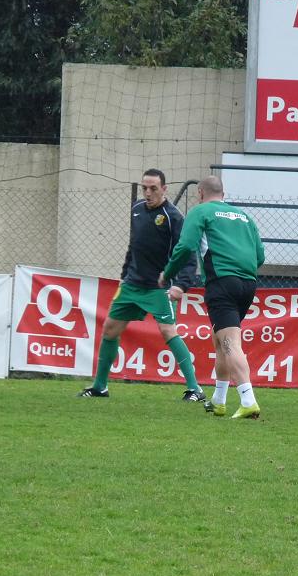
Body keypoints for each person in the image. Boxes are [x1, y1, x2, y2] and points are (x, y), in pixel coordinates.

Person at [79, 169, 205, 402]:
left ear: (164, 189)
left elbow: (188, 254)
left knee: (168, 331)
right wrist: (125, 274)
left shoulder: (173, 217)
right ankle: (100, 386)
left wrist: (181, 285)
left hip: (159, 287)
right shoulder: (136, 209)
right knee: (110, 329)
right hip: (131, 285)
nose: (148, 193)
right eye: (145, 188)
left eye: (153, 188)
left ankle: (195, 388)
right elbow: (134, 245)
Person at [159, 175, 265, 419]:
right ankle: (218, 400)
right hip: (248, 284)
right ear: (223, 195)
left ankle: (248, 400)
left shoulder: (201, 211)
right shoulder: (245, 217)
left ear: (200, 193)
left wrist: (169, 273)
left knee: (230, 343)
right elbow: (260, 256)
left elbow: (186, 246)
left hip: (221, 282)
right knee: (221, 341)